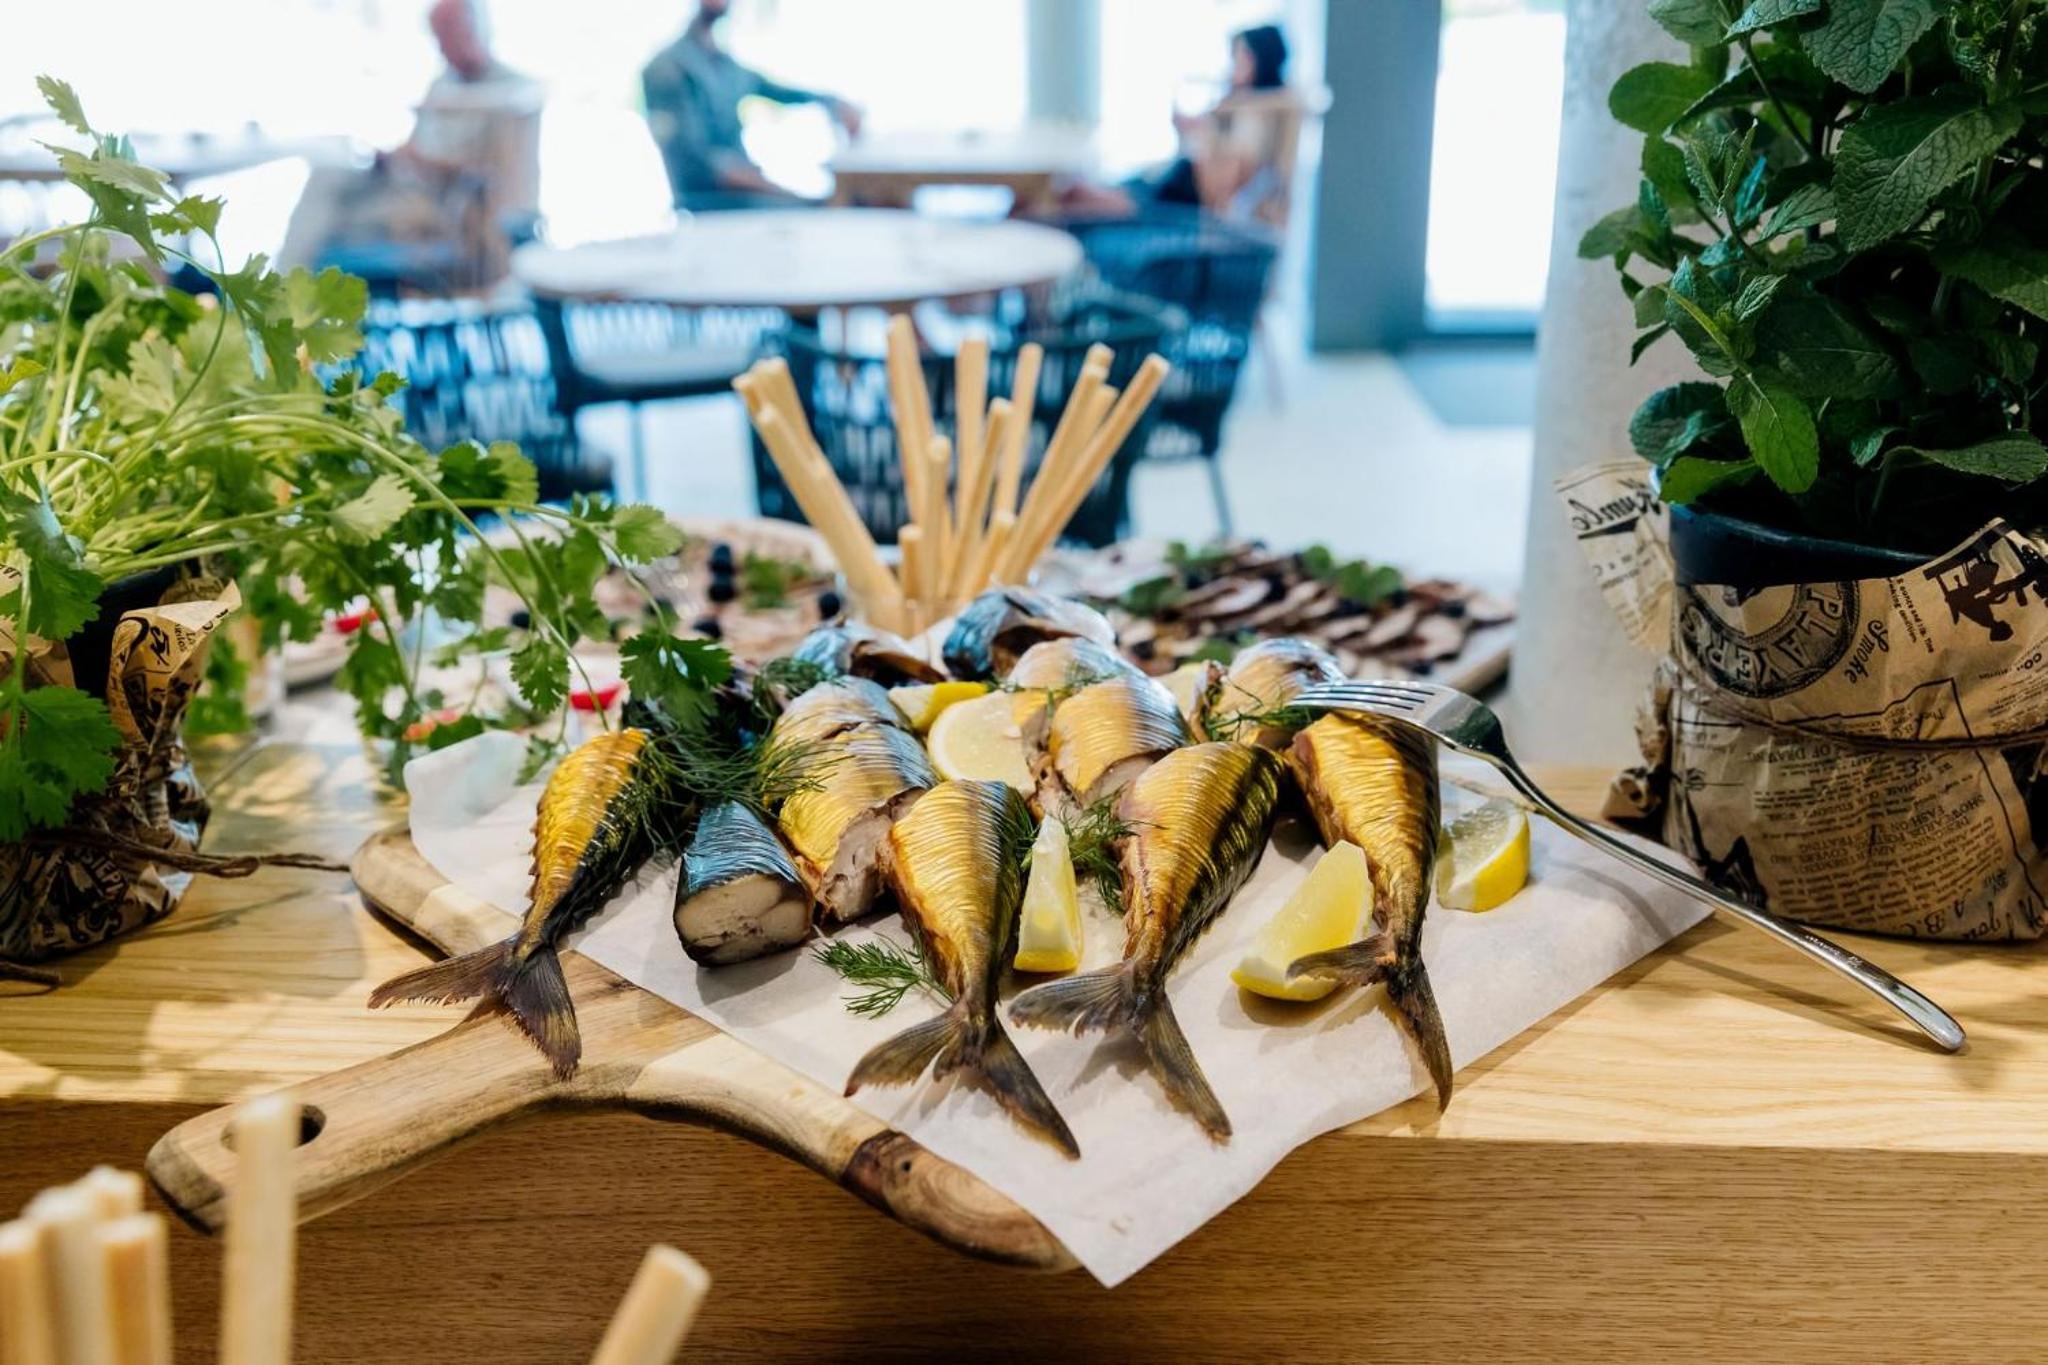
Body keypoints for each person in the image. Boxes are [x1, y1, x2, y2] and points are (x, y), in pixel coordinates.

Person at [281, 0, 540, 290]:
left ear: (473, 29)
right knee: (327, 176)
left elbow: (493, 173)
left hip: (444, 213)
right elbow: (418, 143)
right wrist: (395, 157)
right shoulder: (442, 84)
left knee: (321, 223)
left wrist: (423, 161)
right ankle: (287, 292)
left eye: (448, 33)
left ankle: (285, 295)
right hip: (405, 189)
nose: (442, 47)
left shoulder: (512, 94)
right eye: (438, 36)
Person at [1063, 23, 1305, 226]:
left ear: (1261, 59)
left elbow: (1234, 174)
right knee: (1121, 188)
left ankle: (1070, 197)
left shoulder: (1269, 108)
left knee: (1111, 198)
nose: (1235, 65)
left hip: (1196, 187)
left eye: (1242, 56)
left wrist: (1205, 136)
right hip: (1188, 173)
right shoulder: (1238, 103)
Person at [642, 0, 861, 210]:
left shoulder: (726, 66)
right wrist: (785, 195)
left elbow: (779, 91)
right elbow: (697, 162)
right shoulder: (668, 69)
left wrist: (833, 103)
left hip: (742, 194)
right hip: (710, 204)